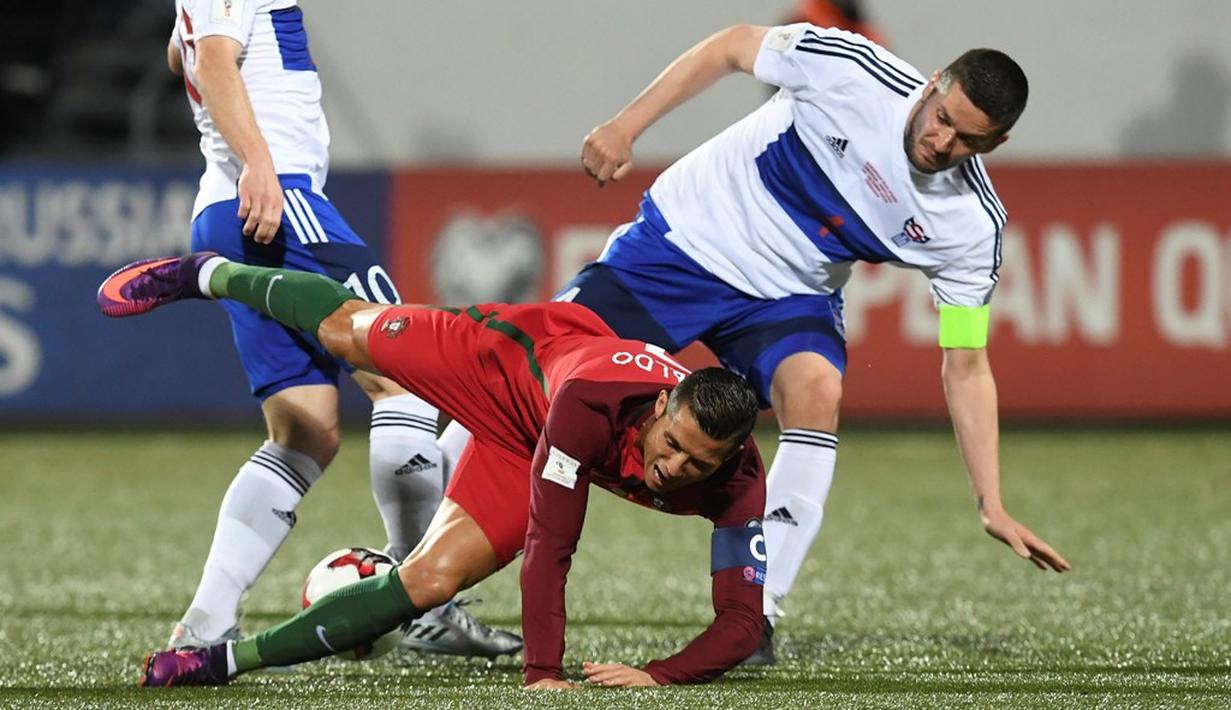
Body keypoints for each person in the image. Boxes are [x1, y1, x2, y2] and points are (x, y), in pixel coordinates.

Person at [561, 23, 1073, 663]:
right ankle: (423, 574)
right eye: (942, 117)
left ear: (998, 143)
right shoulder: (851, 71)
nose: (941, 141)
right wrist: (625, 126)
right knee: (542, 376)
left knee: (817, 390)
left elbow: (966, 365)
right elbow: (729, 47)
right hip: (682, 246)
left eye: (969, 139)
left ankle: (755, 615)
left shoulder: (970, 228)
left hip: (786, 297)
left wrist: (991, 502)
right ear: (936, 81)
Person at [98, 252, 767, 688]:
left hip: (523, 445)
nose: (671, 468)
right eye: (670, 443)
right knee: (342, 330)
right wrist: (542, 672)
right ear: (658, 405)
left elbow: (740, 623)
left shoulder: (738, 483)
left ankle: (217, 662)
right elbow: (551, 542)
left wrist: (657, 675)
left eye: (695, 463)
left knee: (429, 579)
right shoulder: (592, 405)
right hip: (501, 361)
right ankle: (206, 274)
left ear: (729, 457)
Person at [158, 0, 517, 657]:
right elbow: (210, 61)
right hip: (276, 197)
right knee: (406, 377)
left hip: (226, 207)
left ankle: (205, 624)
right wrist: (261, 165)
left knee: (304, 434)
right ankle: (422, 601)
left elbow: (184, 53)